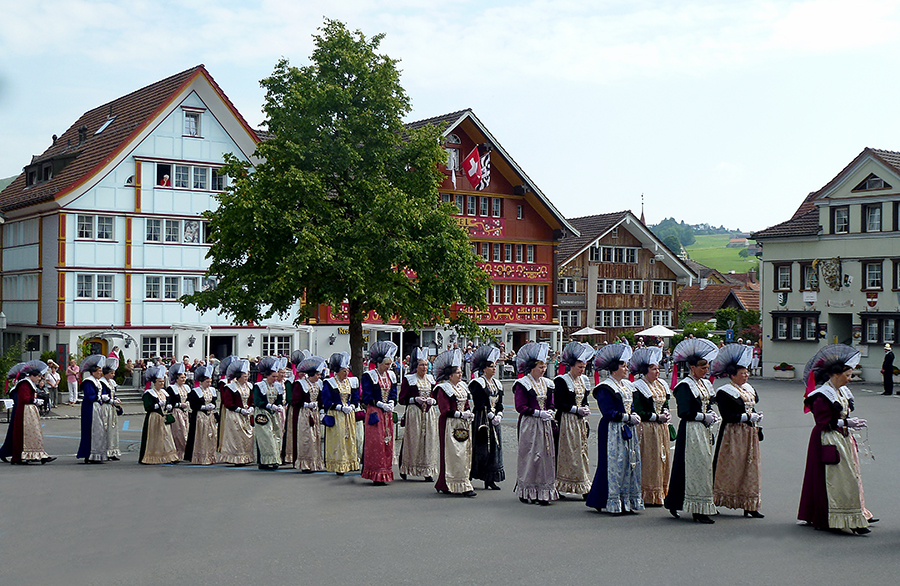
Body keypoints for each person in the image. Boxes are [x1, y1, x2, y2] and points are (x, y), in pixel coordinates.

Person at [798, 345, 872, 534]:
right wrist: (846, 422)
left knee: (850, 476)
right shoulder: (822, 395)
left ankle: (853, 514)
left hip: (843, 438)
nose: (850, 379)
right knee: (836, 479)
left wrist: (850, 423)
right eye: (847, 375)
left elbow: (843, 415)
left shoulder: (842, 392)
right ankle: (834, 516)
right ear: (836, 375)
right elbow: (823, 422)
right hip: (828, 439)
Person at [664, 338, 720, 524]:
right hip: (691, 430)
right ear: (692, 368)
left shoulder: (704, 384)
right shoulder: (684, 386)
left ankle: (694, 504)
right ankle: (696, 508)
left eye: (707, 367)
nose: (706, 371)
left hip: (703, 430)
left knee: (703, 466)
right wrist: (704, 417)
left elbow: (708, 404)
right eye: (702, 368)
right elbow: (684, 412)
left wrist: (711, 414)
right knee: (692, 467)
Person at [585, 343, 644, 514]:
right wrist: (627, 417)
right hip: (612, 429)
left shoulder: (626, 385)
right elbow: (608, 412)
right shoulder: (605, 388)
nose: (626, 368)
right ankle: (602, 499)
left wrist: (634, 414)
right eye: (623, 365)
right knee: (611, 464)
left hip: (628, 428)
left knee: (629, 463)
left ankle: (625, 501)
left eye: (626, 365)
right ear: (614, 368)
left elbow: (630, 406)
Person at [710, 344, 764, 518]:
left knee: (750, 467)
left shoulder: (749, 389)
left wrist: (756, 419)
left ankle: (749, 504)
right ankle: (717, 500)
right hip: (732, 434)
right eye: (742, 373)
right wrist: (748, 418)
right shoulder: (725, 392)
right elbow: (727, 415)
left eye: (747, 372)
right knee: (729, 466)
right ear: (732, 375)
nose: (746, 375)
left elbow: (752, 408)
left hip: (749, 433)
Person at [513, 341, 558, 505]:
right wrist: (538, 413)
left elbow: (551, 402)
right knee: (530, 455)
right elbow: (520, 406)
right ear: (532, 367)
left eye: (544, 366)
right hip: (530, 424)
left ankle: (543, 490)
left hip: (545, 424)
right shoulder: (523, 383)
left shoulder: (547, 383)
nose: (543, 369)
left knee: (546, 455)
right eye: (540, 366)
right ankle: (527, 490)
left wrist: (551, 411)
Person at [630, 346, 672, 506]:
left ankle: (661, 491)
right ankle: (647, 493)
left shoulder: (661, 384)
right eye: (653, 369)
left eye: (658, 368)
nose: (657, 372)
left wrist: (666, 413)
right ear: (645, 370)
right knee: (649, 460)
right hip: (647, 428)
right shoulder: (638, 386)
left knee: (663, 459)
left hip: (662, 429)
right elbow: (639, 410)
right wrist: (657, 416)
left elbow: (666, 402)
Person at [433, 349, 476, 497]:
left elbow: (466, 404)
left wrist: (468, 412)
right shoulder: (443, 388)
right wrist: (460, 414)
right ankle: (449, 483)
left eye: (460, 372)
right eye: (457, 372)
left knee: (465, 453)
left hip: (463, 423)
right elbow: (444, 409)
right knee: (453, 454)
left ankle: (463, 482)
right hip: (450, 424)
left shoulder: (462, 386)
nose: (460, 374)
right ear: (450, 375)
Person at [553, 341, 594, 499]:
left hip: (580, 422)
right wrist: (575, 409)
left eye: (583, 367)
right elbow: (558, 403)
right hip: (566, 420)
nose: (582, 370)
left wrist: (585, 408)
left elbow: (584, 399)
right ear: (572, 366)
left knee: (581, 452)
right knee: (567, 453)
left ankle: (583, 484)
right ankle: (560, 484)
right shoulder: (562, 381)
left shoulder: (583, 381)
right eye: (579, 367)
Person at [0, 361, 55, 464]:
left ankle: (36, 455)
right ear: (32, 376)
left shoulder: (28, 384)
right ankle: (20, 456)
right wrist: (35, 401)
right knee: (24, 435)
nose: (39, 379)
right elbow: (24, 399)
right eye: (38, 377)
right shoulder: (24, 384)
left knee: (32, 434)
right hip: (24, 413)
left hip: (28, 412)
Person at [360, 341, 399, 485]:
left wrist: (391, 402)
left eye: (389, 364)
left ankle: (385, 471)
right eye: (386, 364)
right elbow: (367, 396)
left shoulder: (391, 376)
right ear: (379, 363)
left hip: (387, 413)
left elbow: (393, 392)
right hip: (375, 412)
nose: (389, 367)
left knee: (387, 441)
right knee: (376, 442)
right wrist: (380, 403)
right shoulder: (369, 376)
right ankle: (375, 472)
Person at [398, 347, 439, 481]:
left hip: (429, 413)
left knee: (429, 440)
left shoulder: (431, 379)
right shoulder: (409, 379)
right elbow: (402, 399)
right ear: (416, 365)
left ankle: (427, 471)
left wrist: (433, 400)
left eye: (426, 364)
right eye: (422, 364)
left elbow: (437, 396)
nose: (424, 367)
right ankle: (406, 467)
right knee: (412, 440)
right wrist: (414, 399)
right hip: (414, 413)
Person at [469, 344, 506, 491]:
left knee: (495, 448)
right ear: (484, 368)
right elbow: (479, 403)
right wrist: (490, 415)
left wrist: (499, 415)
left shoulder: (497, 384)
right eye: (491, 366)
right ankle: (474, 475)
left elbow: (500, 403)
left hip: (494, 419)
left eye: (495, 366)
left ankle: (490, 479)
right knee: (482, 447)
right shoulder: (478, 383)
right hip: (482, 419)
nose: (494, 368)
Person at [321, 352, 360, 475]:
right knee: (338, 439)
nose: (346, 373)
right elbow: (326, 401)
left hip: (348, 415)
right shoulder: (330, 383)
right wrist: (339, 407)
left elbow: (356, 397)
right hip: (336, 415)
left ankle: (350, 462)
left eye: (347, 370)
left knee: (350, 438)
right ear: (337, 371)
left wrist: (352, 406)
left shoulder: (351, 382)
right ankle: (338, 464)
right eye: (344, 371)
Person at [292, 355, 327, 472]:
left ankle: (315, 462)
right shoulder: (300, 384)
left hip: (314, 413)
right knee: (306, 437)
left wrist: (320, 409)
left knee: (315, 437)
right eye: (317, 374)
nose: (319, 376)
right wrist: (306, 404)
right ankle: (305, 463)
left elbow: (321, 399)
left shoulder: (318, 384)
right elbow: (295, 400)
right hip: (304, 414)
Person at [138, 365, 178, 465]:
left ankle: (169, 456)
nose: (162, 384)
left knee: (167, 436)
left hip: (164, 417)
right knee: (155, 437)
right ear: (154, 383)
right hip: (154, 418)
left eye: (163, 382)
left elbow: (169, 402)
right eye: (159, 382)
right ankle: (153, 457)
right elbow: (147, 407)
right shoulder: (149, 393)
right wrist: (157, 405)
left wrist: (169, 406)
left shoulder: (164, 392)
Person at [218, 358, 254, 466]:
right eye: (244, 376)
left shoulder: (249, 386)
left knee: (248, 435)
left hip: (246, 414)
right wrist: (240, 409)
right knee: (236, 436)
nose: (246, 378)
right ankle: (236, 457)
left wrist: (251, 408)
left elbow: (252, 399)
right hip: (235, 414)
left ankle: (246, 457)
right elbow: (228, 402)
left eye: (247, 376)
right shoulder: (230, 387)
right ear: (238, 377)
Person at [76, 355, 109, 464]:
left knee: (99, 431)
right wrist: (99, 397)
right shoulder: (88, 382)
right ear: (93, 372)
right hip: (90, 408)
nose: (101, 373)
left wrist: (104, 397)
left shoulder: (97, 381)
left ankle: (97, 454)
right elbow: (89, 396)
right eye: (99, 371)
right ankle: (89, 455)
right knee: (92, 430)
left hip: (97, 406)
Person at [185, 364, 218, 465]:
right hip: (200, 416)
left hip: (210, 416)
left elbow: (214, 401)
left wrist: (212, 406)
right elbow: (193, 405)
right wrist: (203, 407)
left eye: (210, 382)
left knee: (211, 436)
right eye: (207, 382)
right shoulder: (195, 392)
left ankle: (210, 456)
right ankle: (199, 456)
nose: (209, 384)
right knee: (200, 436)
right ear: (201, 382)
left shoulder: (212, 390)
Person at [284, 349, 312, 465]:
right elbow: (290, 398)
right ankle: (291, 454)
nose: (303, 373)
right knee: (292, 430)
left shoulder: (308, 382)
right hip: (295, 409)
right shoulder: (291, 382)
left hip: (307, 409)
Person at [166, 363, 191, 461]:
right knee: (178, 433)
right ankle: (177, 453)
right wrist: (179, 405)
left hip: (185, 412)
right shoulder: (172, 389)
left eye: (184, 377)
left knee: (186, 431)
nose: (183, 379)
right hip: (176, 412)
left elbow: (190, 398)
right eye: (181, 377)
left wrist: (188, 402)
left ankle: (186, 453)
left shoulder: (187, 388)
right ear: (176, 379)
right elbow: (170, 403)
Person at [100, 358, 122, 460]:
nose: (113, 375)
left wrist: (116, 399)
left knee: (112, 429)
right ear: (106, 373)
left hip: (111, 408)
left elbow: (113, 394)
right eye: (111, 373)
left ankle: (112, 451)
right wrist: (112, 401)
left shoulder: (111, 382)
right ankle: (105, 451)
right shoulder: (102, 382)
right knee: (106, 428)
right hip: (105, 407)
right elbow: (103, 396)